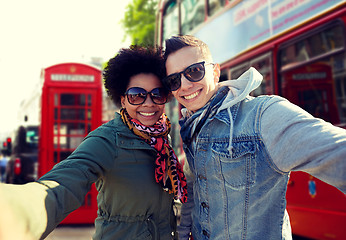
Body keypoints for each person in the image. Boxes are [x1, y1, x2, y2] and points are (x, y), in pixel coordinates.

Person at [162, 35, 346, 240]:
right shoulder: (193, 126)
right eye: (174, 80)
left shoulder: (263, 115)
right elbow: (192, 194)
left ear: (215, 73)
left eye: (194, 71)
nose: (185, 85)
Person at [0, 45, 187, 240]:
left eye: (157, 94)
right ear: (123, 100)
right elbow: (64, 181)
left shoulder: (162, 138)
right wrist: (15, 211)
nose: (148, 103)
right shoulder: (107, 139)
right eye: (136, 95)